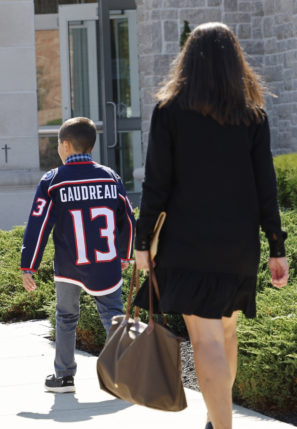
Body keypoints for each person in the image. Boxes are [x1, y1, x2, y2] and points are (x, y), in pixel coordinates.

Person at [134, 22, 288, 429]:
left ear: (188, 61)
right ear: (236, 62)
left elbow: (156, 184)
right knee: (226, 335)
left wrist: (142, 240)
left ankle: (222, 425)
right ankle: (215, 417)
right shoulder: (252, 116)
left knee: (205, 342)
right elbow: (265, 187)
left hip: (188, 243)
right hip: (237, 245)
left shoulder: (169, 111)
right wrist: (277, 247)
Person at [20, 117, 135, 393]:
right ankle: (129, 376)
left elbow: (38, 225)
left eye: (59, 144)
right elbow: (128, 220)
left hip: (71, 265)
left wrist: (29, 265)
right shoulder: (110, 177)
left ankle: (64, 377)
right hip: (106, 263)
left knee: (66, 317)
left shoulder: (54, 180)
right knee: (113, 314)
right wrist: (125, 254)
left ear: (66, 145)